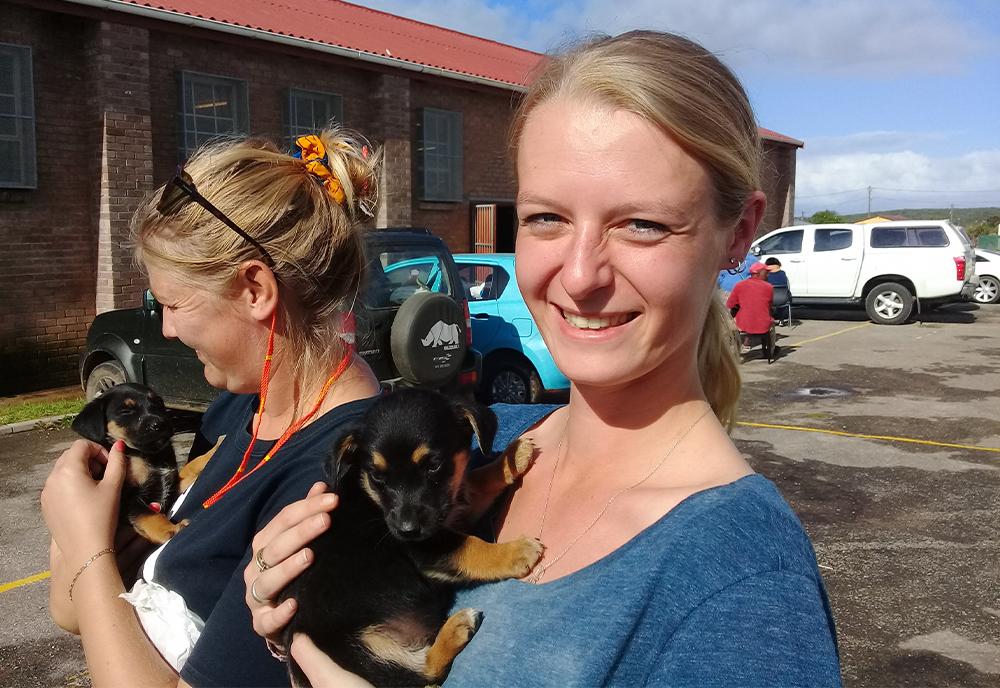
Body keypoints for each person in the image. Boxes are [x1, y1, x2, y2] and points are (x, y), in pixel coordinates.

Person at [245, 31, 842, 686]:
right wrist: (295, 628)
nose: (580, 275)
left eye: (642, 223)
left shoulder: (741, 579)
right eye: (546, 219)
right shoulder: (490, 437)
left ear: (740, 234)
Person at [41, 129, 383, 687]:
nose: (168, 329)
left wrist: (86, 547)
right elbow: (71, 611)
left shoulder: (330, 475)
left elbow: (95, 598)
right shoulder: (238, 409)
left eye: (174, 304)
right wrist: (85, 538)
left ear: (254, 290)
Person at [727, 261, 777, 351]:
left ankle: (739, 347)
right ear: (757, 273)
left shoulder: (739, 285)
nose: (767, 275)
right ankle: (770, 350)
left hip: (743, 324)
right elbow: (769, 307)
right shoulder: (769, 287)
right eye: (765, 272)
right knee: (771, 324)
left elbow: (730, 304)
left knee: (736, 319)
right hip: (763, 325)